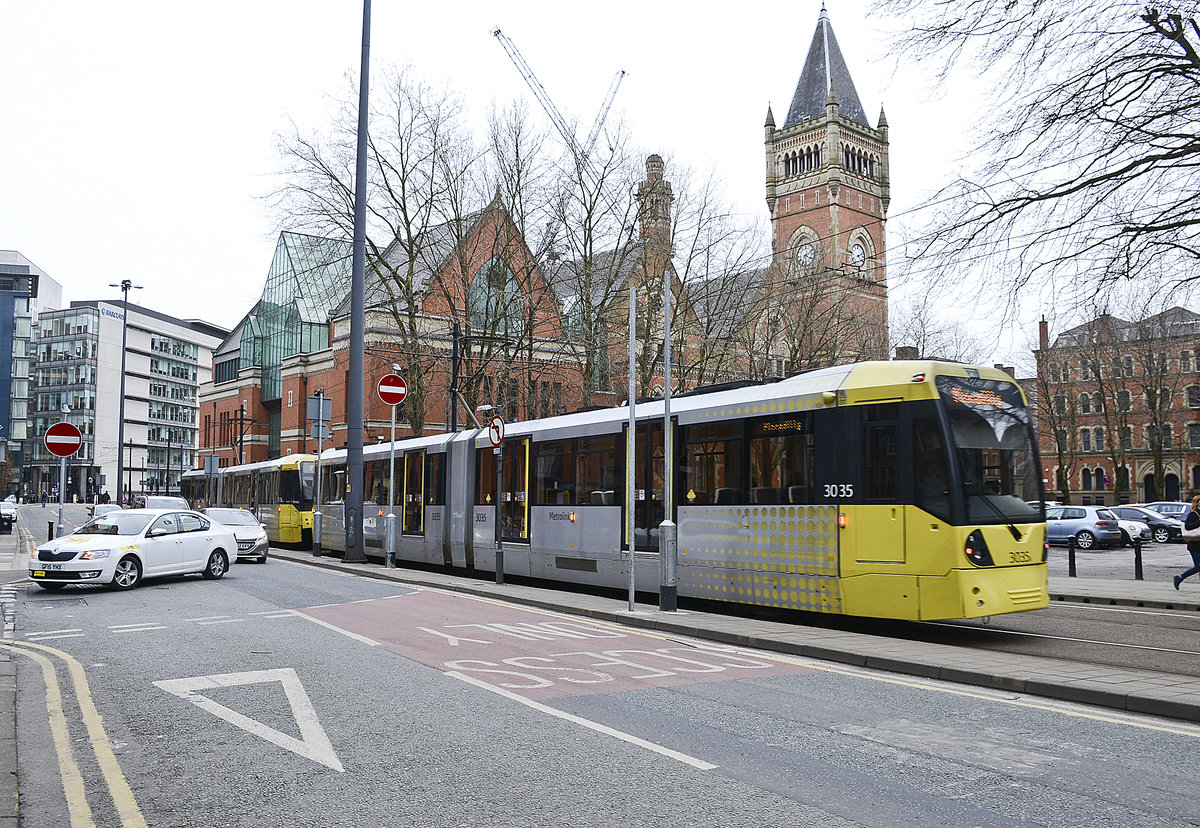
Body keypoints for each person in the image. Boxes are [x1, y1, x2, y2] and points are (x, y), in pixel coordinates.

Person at [1173, 494, 1200, 589]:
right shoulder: (1193, 514)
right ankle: (1179, 577)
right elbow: (1188, 526)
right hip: (1195, 545)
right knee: (1198, 567)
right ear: (1198, 503)